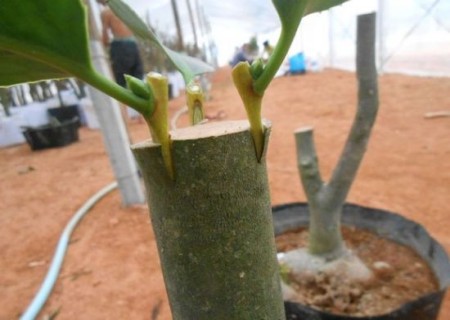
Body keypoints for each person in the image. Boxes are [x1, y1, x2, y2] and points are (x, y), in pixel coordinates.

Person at [97, 0, 144, 121]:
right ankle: (138, 116)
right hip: (132, 44)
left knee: (121, 83)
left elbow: (105, 35)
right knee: (137, 79)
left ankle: (126, 117)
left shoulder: (106, 13)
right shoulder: (123, 9)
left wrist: (103, 46)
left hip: (121, 47)